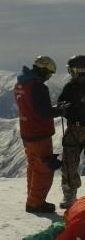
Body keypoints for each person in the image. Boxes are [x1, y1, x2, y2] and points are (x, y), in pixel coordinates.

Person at [14, 55, 65, 213]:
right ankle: (35, 204)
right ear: (43, 70)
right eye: (49, 73)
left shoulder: (20, 85)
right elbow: (43, 112)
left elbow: (31, 107)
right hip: (39, 134)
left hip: (27, 132)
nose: (49, 77)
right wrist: (61, 110)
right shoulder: (38, 86)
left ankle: (33, 199)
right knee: (44, 169)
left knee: (34, 167)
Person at [59, 55, 85, 209]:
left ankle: (70, 195)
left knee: (70, 162)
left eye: (72, 70)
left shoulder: (71, 87)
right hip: (75, 129)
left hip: (74, 129)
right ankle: (70, 196)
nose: (71, 74)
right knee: (69, 163)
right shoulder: (69, 88)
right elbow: (62, 104)